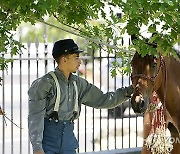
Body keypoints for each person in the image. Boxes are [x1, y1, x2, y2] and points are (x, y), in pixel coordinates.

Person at [28, 39, 133, 154]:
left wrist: (129, 91)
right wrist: (37, 147)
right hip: (48, 144)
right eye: (76, 58)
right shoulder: (45, 83)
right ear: (64, 59)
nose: (80, 62)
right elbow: (35, 117)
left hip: (69, 142)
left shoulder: (78, 84)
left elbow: (103, 100)